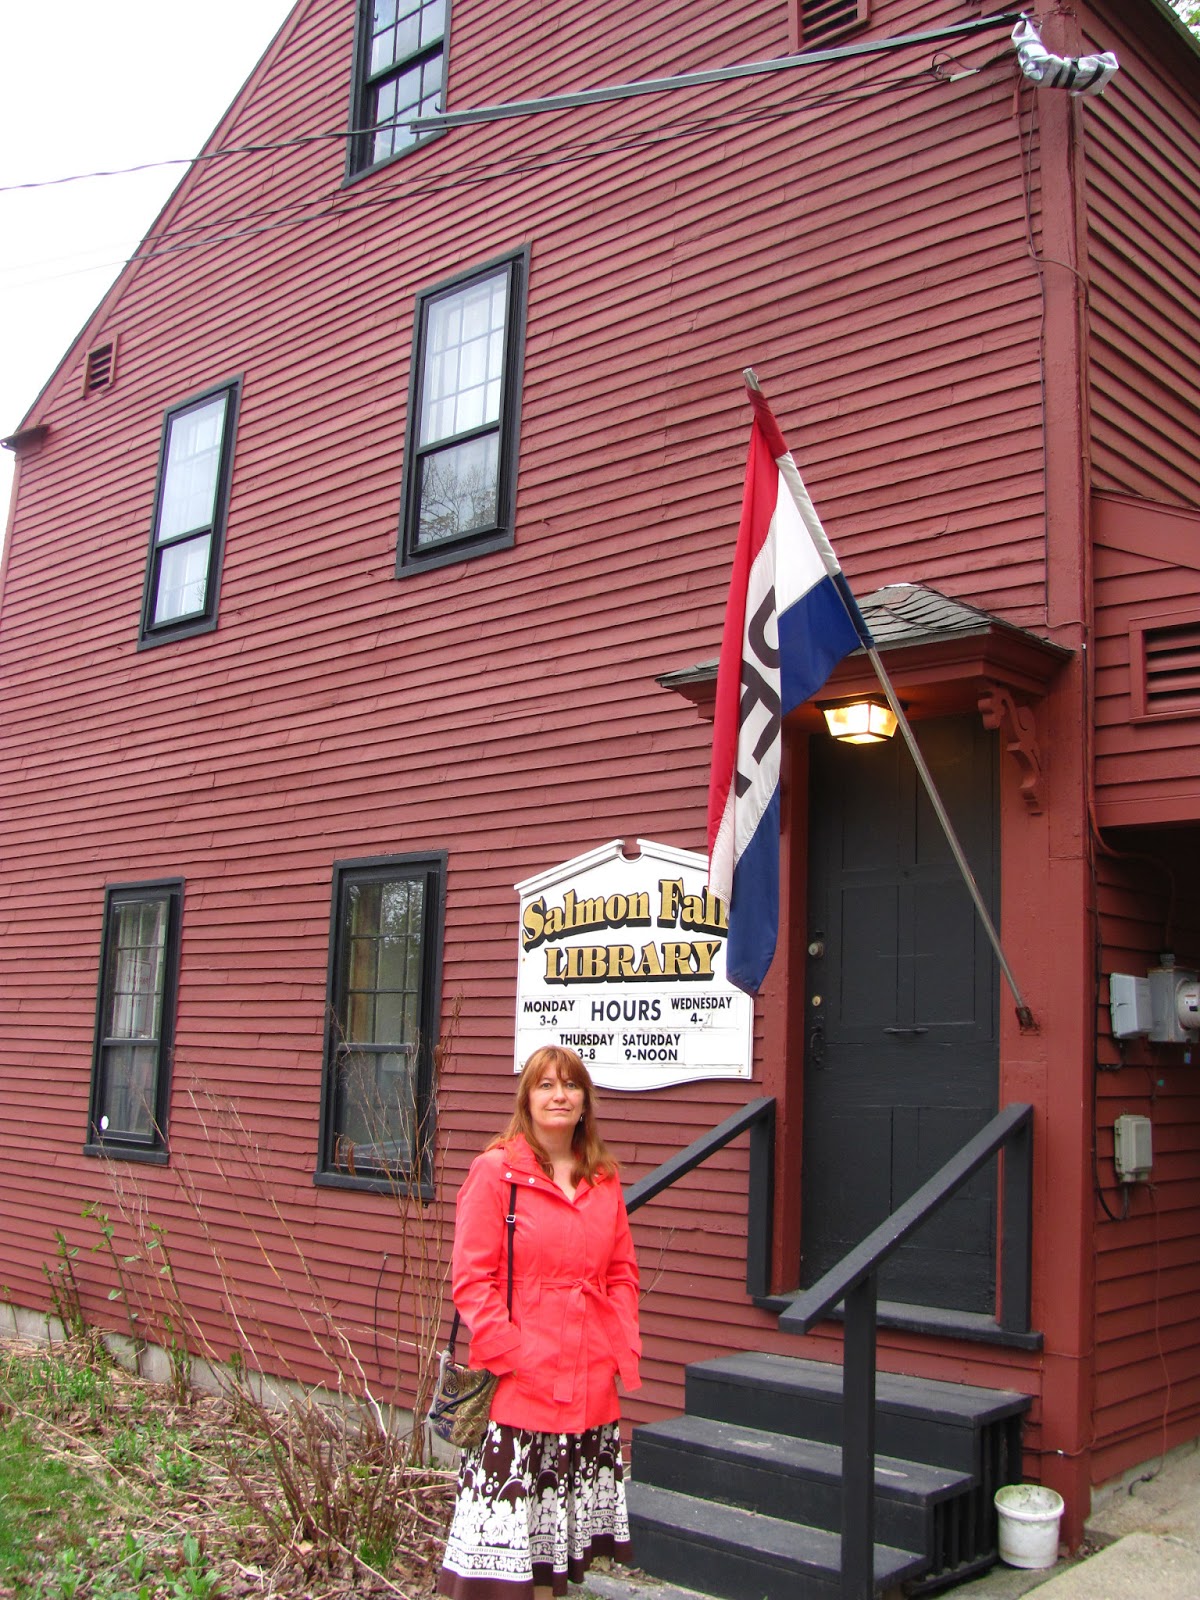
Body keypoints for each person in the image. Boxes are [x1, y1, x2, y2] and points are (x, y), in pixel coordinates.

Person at [438, 1044, 641, 1600]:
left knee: (555, 1553)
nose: (559, 1095)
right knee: (507, 1561)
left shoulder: (604, 1178)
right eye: (546, 1084)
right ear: (527, 1099)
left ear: (584, 1102)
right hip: (517, 1385)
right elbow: (471, 1280)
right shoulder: (495, 1172)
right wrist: (511, 1353)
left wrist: (620, 1347)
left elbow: (621, 1272)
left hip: (587, 1380)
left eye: (570, 1085)